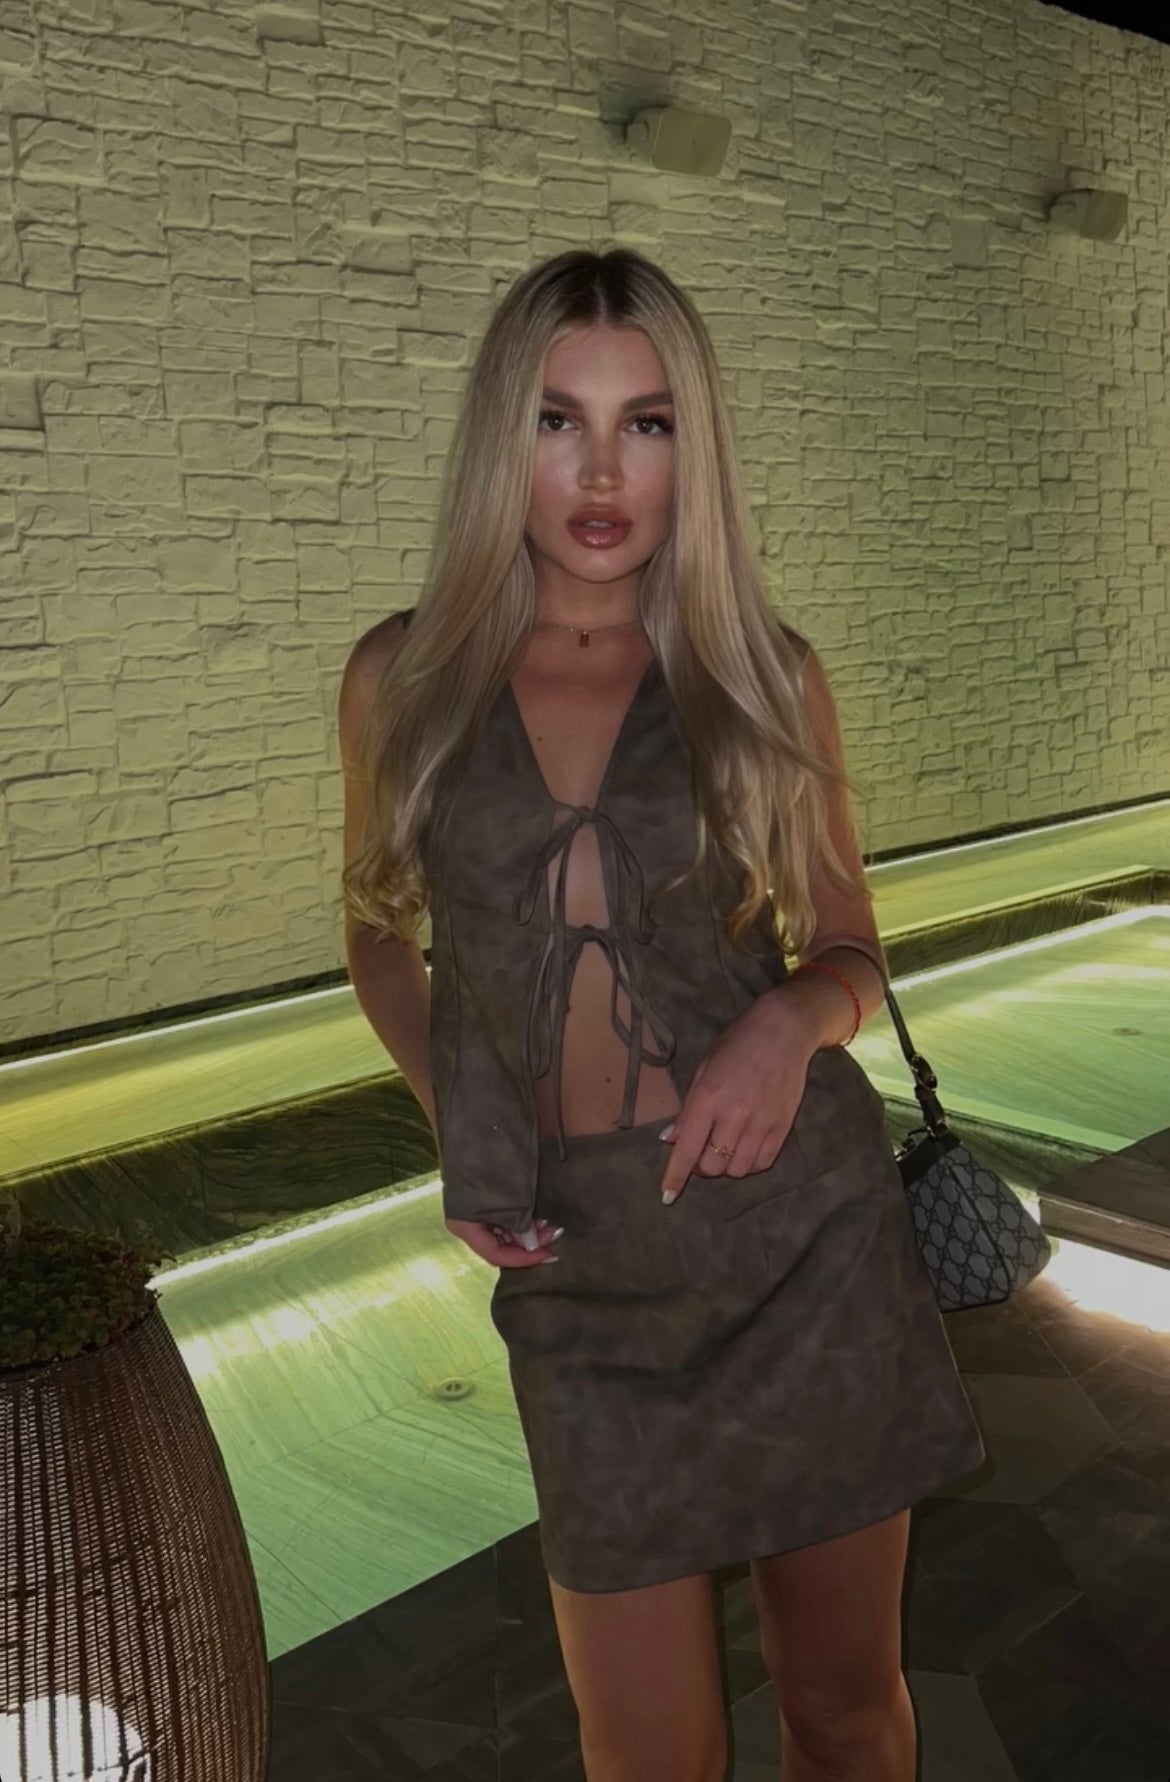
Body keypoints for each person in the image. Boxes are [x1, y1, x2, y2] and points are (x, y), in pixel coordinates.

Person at [338, 248, 984, 1782]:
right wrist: (462, 1123)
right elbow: (376, 930)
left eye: (647, 422)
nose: (601, 471)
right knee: (643, 1758)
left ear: (694, 447)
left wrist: (789, 1023)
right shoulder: (402, 675)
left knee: (842, 1711)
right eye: (558, 419)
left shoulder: (762, 674)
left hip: (798, 1241)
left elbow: (848, 945)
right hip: (579, 1271)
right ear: (502, 437)